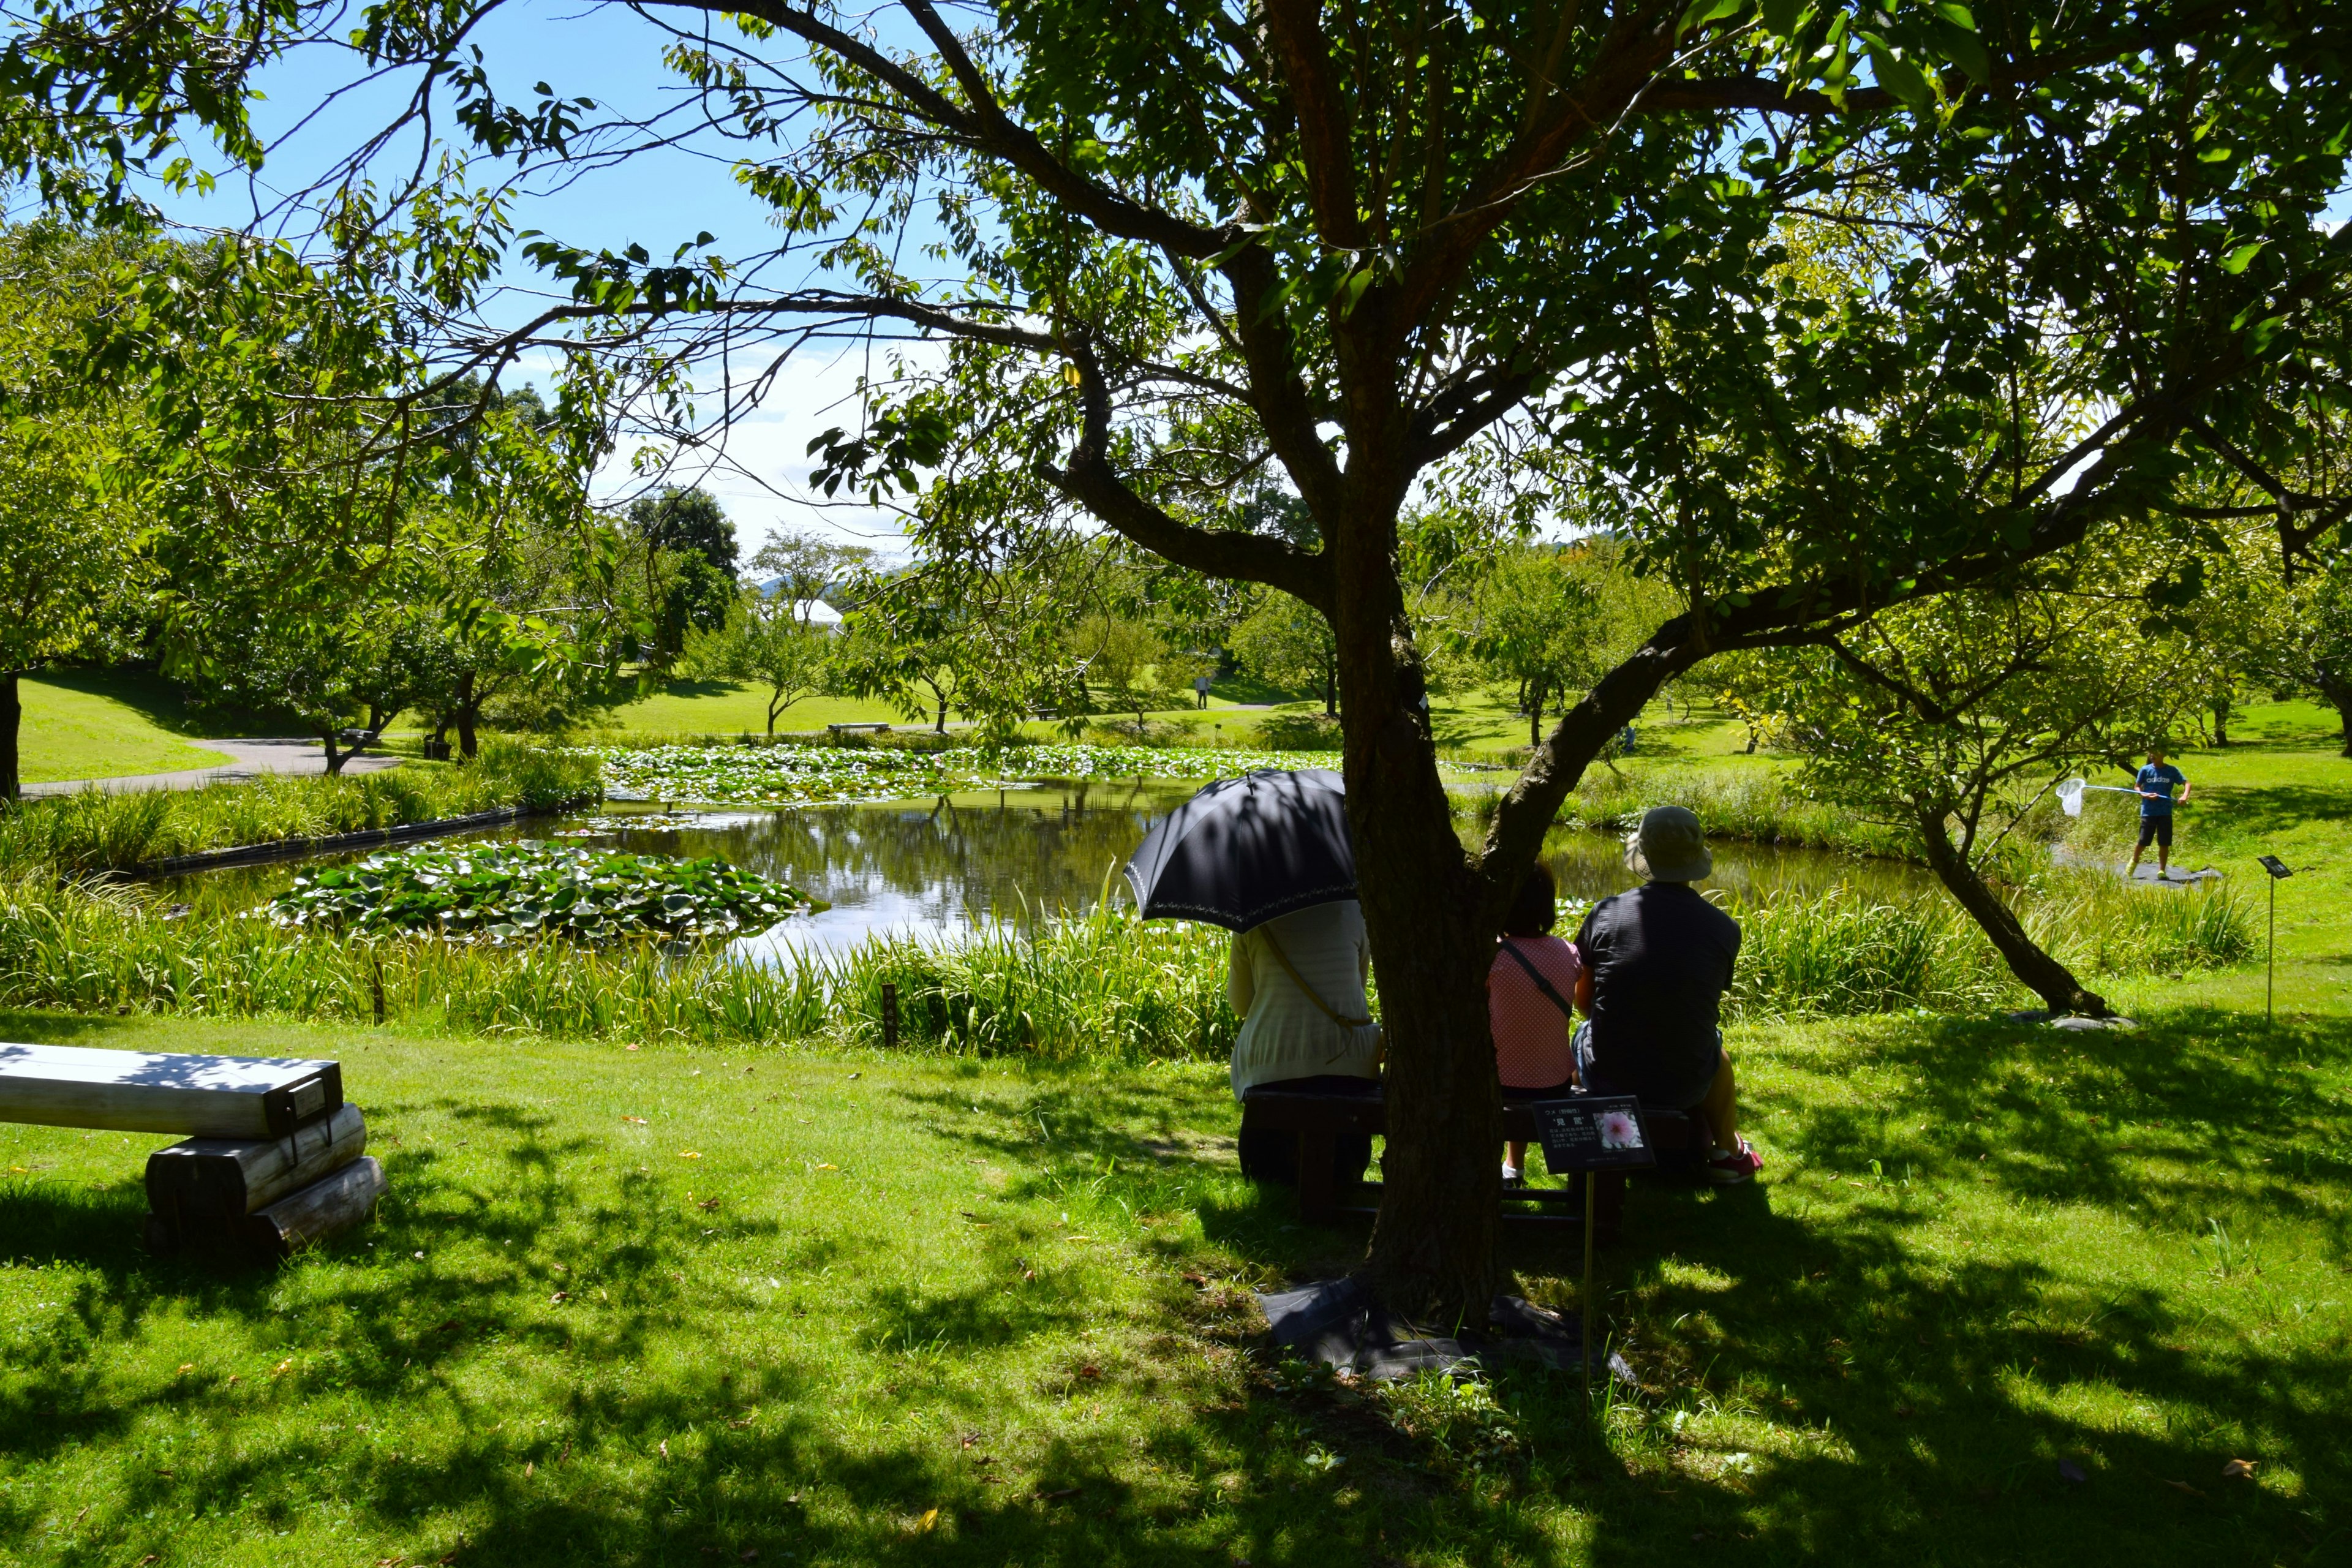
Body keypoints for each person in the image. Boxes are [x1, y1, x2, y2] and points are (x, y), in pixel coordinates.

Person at [1570, 806, 1763, 1185]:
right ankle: (1728, 1152)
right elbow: (1698, 1002)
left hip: (1609, 1076)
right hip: (1685, 1081)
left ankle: (1592, 1137)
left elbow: (1582, 1003)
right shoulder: (1723, 928)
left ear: (1643, 855)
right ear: (1694, 860)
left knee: (1582, 1035)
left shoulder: (1605, 913)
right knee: (1716, 1050)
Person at [1229, 899, 1384, 1187]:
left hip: (1272, 1059)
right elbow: (1356, 990)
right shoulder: (1353, 909)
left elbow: (1240, 1004)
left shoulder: (1253, 916)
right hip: (1349, 1057)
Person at [1488, 863, 1583, 1186]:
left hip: (1497, 1082)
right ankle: (1514, 1165)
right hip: (1554, 1083)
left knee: (1509, 1056)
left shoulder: (1492, 957)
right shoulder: (1568, 953)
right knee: (1531, 1053)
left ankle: (1507, 1167)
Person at [2124, 745, 2191, 881]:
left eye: (2156, 752)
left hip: (2165, 812)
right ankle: (2133, 863)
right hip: (2148, 812)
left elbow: (2187, 783)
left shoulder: (2171, 771)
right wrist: (2145, 795)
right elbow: (2137, 786)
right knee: (2143, 841)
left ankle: (2162, 871)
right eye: (2150, 753)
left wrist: (2184, 796)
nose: (2152, 755)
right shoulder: (2145, 770)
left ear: (2163, 754)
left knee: (2164, 842)